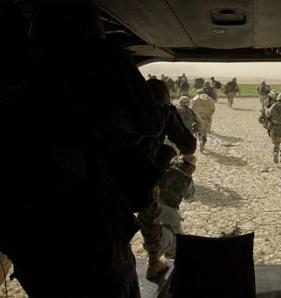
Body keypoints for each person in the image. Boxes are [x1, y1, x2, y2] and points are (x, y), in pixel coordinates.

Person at [1, 2, 167, 297]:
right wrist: (108, 52)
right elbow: (150, 122)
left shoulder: (19, 79)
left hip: (31, 235)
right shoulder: (92, 74)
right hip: (87, 229)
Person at [139, 80, 196, 280]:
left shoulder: (122, 110)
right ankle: (154, 262)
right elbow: (189, 144)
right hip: (141, 173)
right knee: (149, 211)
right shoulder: (164, 112)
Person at [156, 155, 197, 258]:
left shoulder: (166, 166)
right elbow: (189, 198)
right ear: (192, 168)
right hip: (168, 213)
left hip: (151, 208)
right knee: (180, 245)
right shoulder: (187, 179)